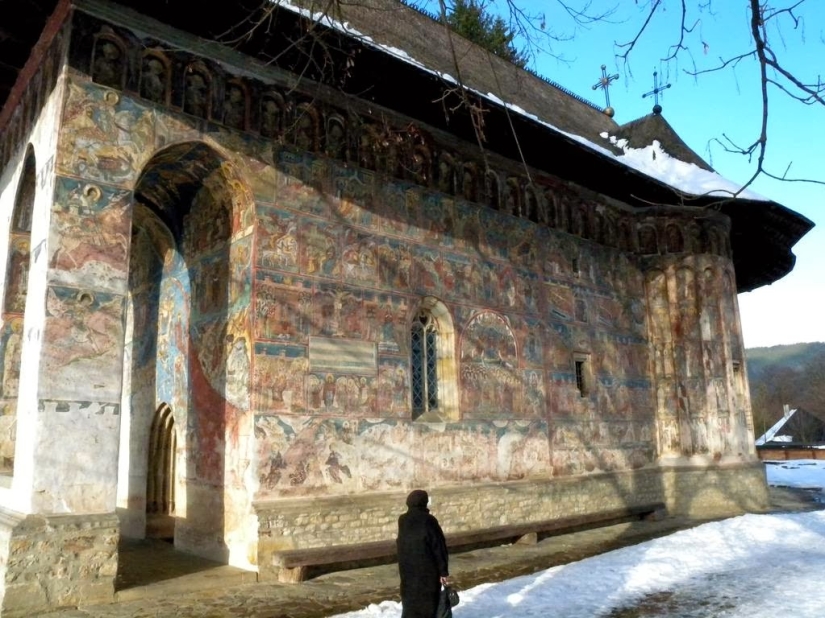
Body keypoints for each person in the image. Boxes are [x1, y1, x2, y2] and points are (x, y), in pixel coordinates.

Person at [396, 489, 450, 618]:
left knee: (410, 604)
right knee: (427, 604)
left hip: (408, 571)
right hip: (427, 572)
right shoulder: (429, 520)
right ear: (424, 503)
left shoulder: (402, 520)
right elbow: (438, 546)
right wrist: (443, 571)